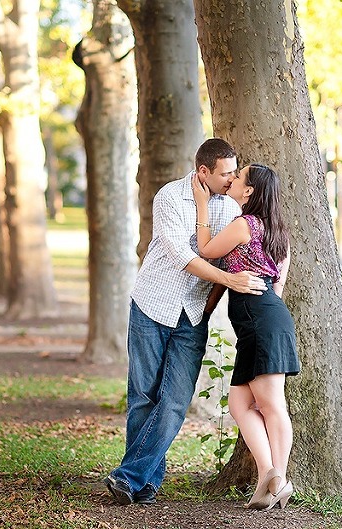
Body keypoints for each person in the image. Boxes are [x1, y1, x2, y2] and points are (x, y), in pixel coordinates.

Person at [104, 139, 268, 506]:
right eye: (225, 173)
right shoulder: (168, 197)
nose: (231, 179)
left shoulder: (232, 209)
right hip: (152, 305)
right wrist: (228, 282)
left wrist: (210, 306)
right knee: (143, 396)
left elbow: (226, 264)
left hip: (193, 314)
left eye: (234, 172)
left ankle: (129, 476)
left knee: (176, 399)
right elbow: (183, 255)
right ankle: (143, 482)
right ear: (203, 172)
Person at [192, 163, 301, 511]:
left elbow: (206, 250)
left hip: (260, 322)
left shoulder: (244, 224)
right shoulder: (277, 232)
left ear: (249, 190)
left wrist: (202, 206)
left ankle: (279, 479)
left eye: (238, 177)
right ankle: (268, 475)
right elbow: (278, 286)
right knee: (241, 405)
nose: (233, 180)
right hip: (268, 317)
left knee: (271, 405)